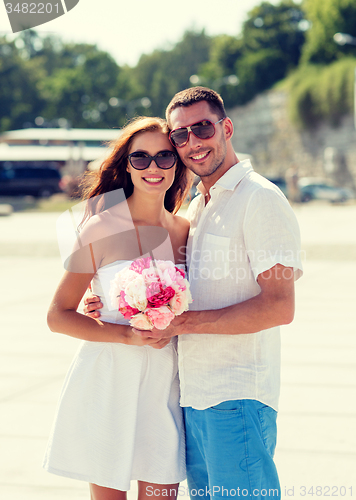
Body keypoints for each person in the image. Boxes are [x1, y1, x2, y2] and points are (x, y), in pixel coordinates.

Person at [84, 87, 303, 500]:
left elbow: (280, 307)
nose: (192, 142)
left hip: (236, 399)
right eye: (179, 136)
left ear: (227, 127)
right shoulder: (197, 210)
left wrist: (180, 323)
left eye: (202, 128)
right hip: (192, 398)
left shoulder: (260, 199)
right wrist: (108, 302)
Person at [43, 116, 194, 500]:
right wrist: (123, 332)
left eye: (164, 156)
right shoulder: (99, 228)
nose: (154, 167)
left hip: (165, 384)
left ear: (177, 162)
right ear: (126, 165)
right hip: (108, 379)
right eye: (140, 158)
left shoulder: (184, 232)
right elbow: (58, 315)